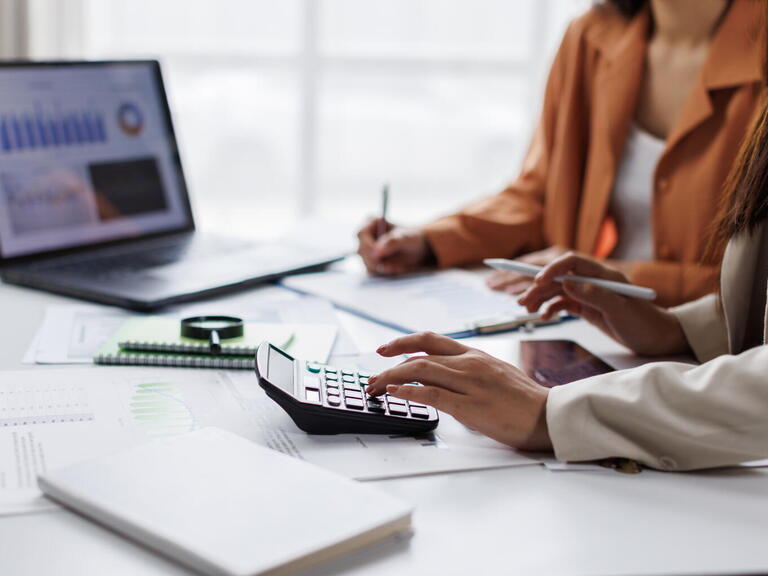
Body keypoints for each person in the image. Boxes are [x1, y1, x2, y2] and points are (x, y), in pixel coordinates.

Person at [364, 47, 768, 470]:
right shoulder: (596, 38)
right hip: (644, 357)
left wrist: (556, 414)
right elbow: (540, 189)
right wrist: (686, 328)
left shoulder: (747, 47)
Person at [357, 0, 763, 307]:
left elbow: (757, 288)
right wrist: (429, 241)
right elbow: (541, 197)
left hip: (711, 364)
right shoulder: (590, 36)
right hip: (587, 331)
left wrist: (616, 276)